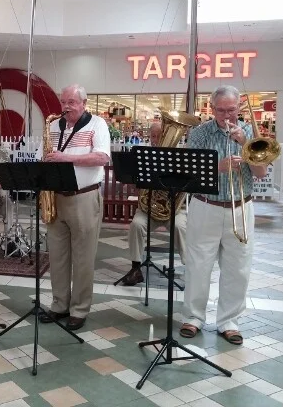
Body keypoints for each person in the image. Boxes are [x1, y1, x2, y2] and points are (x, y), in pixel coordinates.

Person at [180, 85, 267, 346]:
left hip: (240, 206)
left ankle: (229, 321)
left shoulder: (252, 132)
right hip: (206, 205)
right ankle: (193, 317)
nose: (226, 116)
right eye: (221, 110)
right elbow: (189, 174)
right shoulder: (200, 132)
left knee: (238, 266)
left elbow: (261, 173)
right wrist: (217, 168)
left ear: (239, 107)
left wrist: (245, 144)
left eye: (231, 110)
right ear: (212, 108)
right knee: (198, 264)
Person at [39, 84, 111, 330]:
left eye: (71, 101)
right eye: (63, 102)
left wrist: (65, 158)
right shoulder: (52, 126)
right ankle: (59, 305)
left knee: (83, 258)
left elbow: (102, 158)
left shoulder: (97, 125)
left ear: (84, 103)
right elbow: (45, 157)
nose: (66, 106)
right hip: (56, 198)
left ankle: (79, 309)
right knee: (57, 257)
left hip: (84, 197)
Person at [120, 122, 187, 286]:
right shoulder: (143, 156)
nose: (155, 140)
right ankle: (135, 268)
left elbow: (186, 186)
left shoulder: (179, 158)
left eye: (159, 136)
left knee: (180, 227)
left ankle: (190, 266)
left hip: (173, 209)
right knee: (136, 224)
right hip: (147, 208)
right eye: (153, 136)